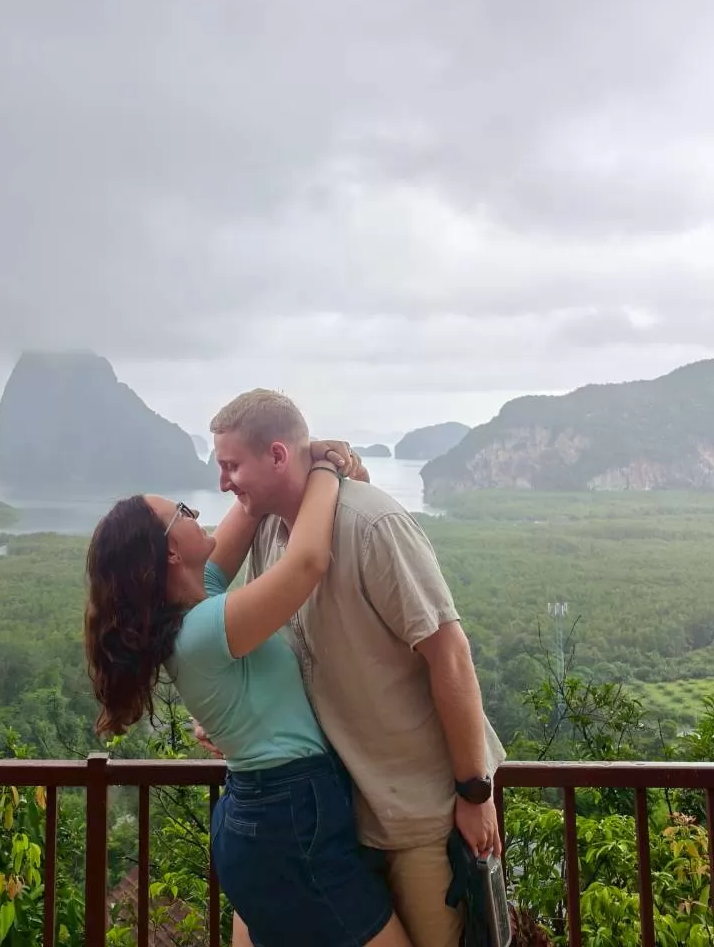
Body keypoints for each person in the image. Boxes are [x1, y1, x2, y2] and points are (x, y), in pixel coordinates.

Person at [205, 390, 506, 947]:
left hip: (421, 816)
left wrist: (474, 792)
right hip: (340, 819)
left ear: (276, 456)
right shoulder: (271, 534)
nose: (223, 481)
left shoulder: (372, 525)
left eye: (231, 465)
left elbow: (450, 655)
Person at [83, 442, 414, 947]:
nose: (199, 517)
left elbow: (249, 508)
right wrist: (324, 468)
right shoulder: (203, 630)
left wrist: (292, 459)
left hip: (265, 816)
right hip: (288, 820)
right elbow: (306, 563)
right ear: (172, 551)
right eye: (185, 513)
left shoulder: (200, 601)